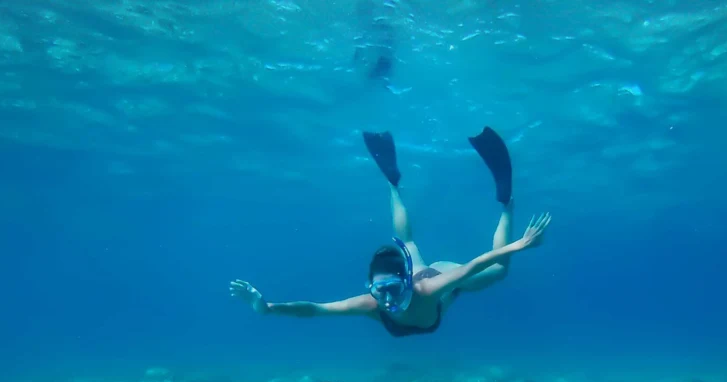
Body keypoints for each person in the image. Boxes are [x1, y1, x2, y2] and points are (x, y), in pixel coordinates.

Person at [230, 126, 551, 337]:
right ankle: (392, 183)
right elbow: (316, 310)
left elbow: (475, 265)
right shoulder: (371, 303)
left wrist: (520, 246)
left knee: (499, 271)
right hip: (420, 275)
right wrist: (267, 308)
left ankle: (506, 201)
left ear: (407, 281)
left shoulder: (429, 289)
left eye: (393, 289)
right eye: (379, 289)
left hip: (440, 276)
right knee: (407, 241)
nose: (386, 298)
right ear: (370, 286)